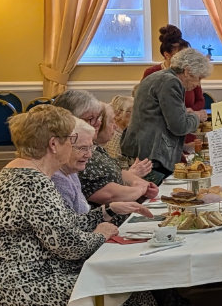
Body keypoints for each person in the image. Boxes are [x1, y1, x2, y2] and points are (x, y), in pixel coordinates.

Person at [0, 105, 159, 306]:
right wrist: (102, 234)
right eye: (71, 140)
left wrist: (106, 211)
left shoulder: (25, 173)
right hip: (18, 283)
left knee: (125, 286)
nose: (78, 148)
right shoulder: (31, 182)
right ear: (54, 145)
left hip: (28, 274)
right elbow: (67, 244)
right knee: (115, 288)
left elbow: (65, 223)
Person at [53, 91, 157, 219]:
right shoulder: (70, 162)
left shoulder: (91, 150)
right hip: (107, 226)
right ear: (71, 120)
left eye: (99, 118)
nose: (98, 123)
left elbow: (119, 172)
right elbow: (109, 195)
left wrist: (139, 183)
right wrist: (140, 189)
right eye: (91, 119)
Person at [124, 48, 211, 183]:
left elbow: (158, 114)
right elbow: (179, 127)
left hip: (143, 150)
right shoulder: (171, 82)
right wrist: (197, 116)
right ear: (187, 71)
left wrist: (184, 113)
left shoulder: (157, 77)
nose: (197, 84)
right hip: (154, 155)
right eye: (198, 78)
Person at [142, 25, 203, 113]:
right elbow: (145, 104)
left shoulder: (190, 72)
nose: (186, 59)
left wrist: (190, 110)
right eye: (181, 55)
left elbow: (200, 101)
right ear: (167, 55)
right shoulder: (151, 73)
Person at [107, 94, 135, 166]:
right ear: (118, 114)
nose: (137, 116)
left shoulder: (125, 133)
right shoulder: (113, 136)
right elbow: (117, 165)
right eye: (133, 111)